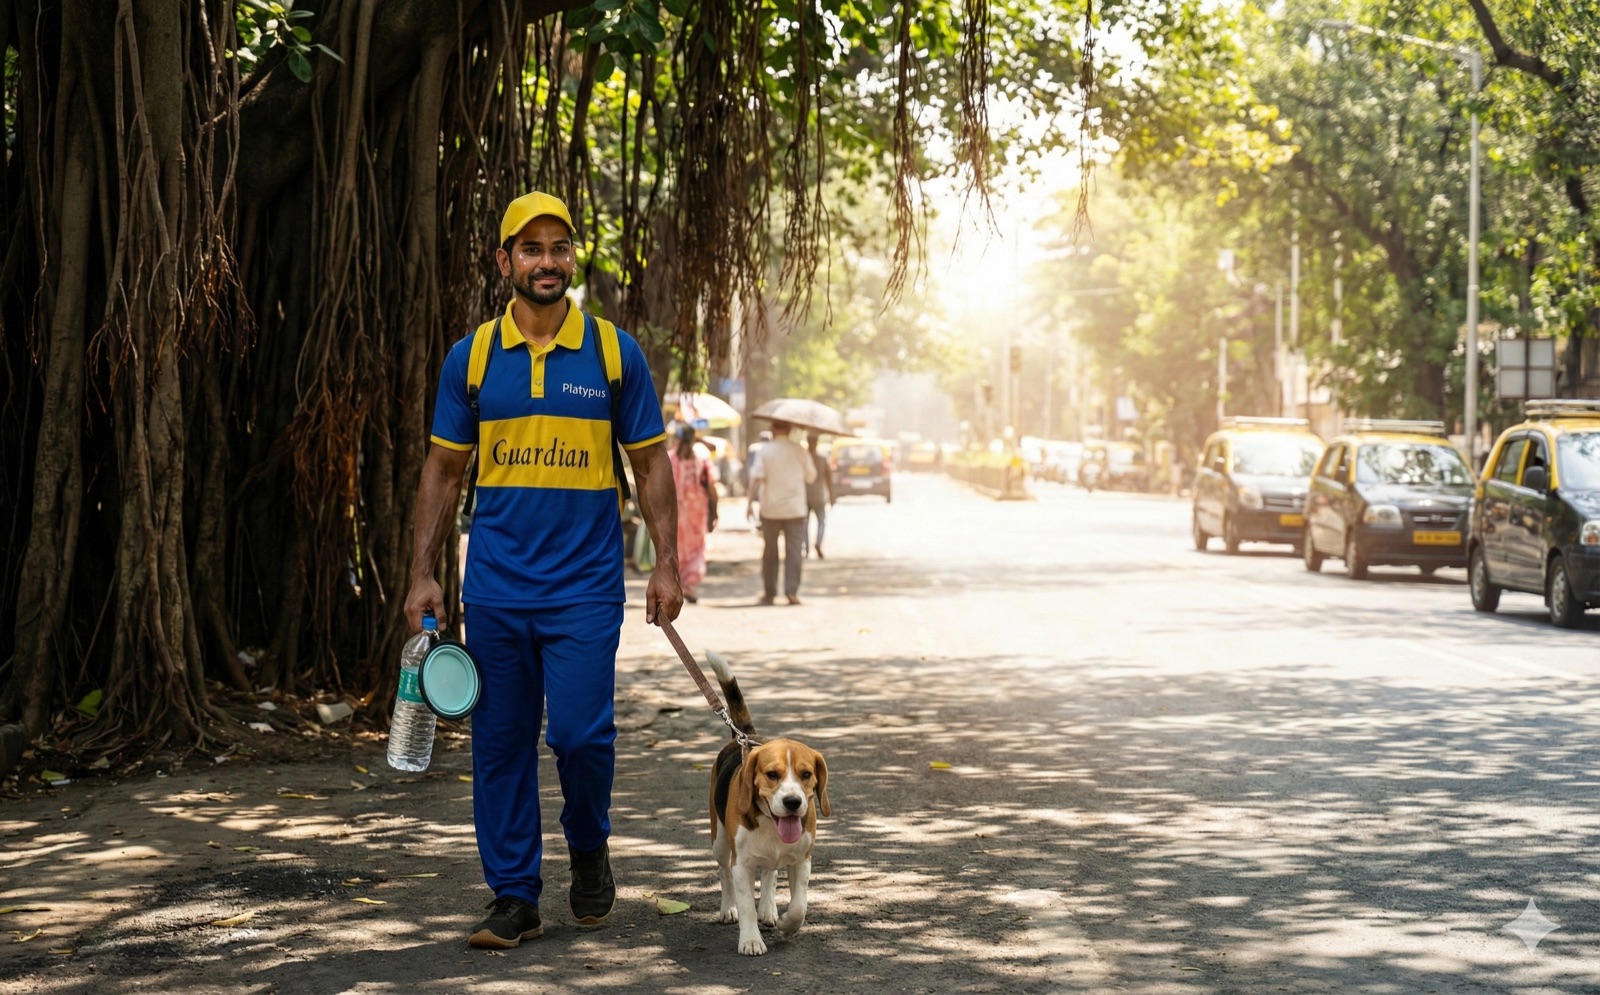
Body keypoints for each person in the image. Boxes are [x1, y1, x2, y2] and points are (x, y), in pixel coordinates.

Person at [404, 191, 682, 950]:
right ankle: (514, 894)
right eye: (532, 248)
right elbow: (442, 470)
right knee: (499, 741)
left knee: (584, 736)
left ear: (573, 260)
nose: (548, 262)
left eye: (560, 248)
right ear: (506, 262)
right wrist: (422, 572)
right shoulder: (474, 358)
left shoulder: (614, 354)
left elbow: (652, 464)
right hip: (496, 585)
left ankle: (588, 846)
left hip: (586, 586)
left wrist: (667, 563)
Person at [747, 420, 815, 605]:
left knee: (770, 551)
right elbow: (811, 476)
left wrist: (749, 503)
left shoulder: (764, 450)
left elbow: (756, 479)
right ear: (790, 428)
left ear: (772, 429)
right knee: (794, 552)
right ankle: (791, 592)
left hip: (771, 509)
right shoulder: (800, 450)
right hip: (796, 509)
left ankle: (770, 592)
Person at [669, 424, 718, 603]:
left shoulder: (669, 459)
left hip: (674, 511)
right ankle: (688, 584)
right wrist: (715, 510)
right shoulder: (701, 459)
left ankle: (677, 584)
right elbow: (711, 486)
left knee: (677, 547)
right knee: (697, 548)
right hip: (697, 511)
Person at [802, 431, 834, 559]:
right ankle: (818, 543)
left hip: (804, 495)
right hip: (819, 495)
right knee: (821, 521)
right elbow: (829, 479)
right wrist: (832, 496)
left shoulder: (803, 458)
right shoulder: (822, 458)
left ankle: (807, 548)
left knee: (805, 523)